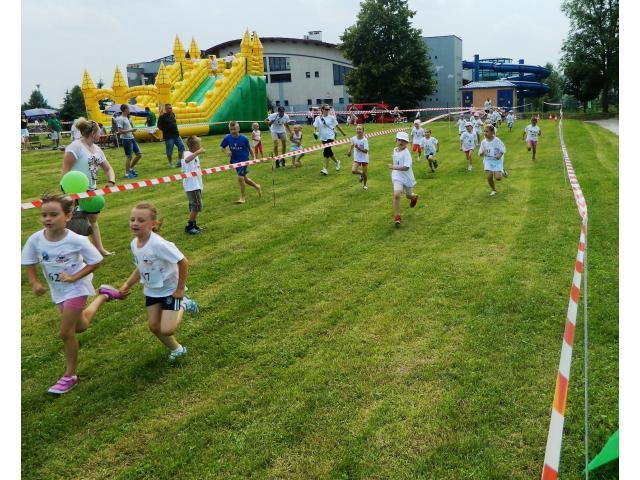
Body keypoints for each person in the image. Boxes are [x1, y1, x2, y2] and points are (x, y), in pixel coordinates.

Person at [21, 193, 124, 394]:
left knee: (65, 332)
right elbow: (29, 261)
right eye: (44, 215)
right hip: (58, 289)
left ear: (68, 216)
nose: (48, 219)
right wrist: (34, 283)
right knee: (80, 326)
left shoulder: (77, 240)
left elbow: (96, 261)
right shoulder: (35, 239)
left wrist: (75, 277)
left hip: (77, 287)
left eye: (53, 214)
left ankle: (70, 376)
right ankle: (104, 295)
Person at [118, 203, 198, 362]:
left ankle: (184, 303)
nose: (135, 223)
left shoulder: (158, 244)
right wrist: (127, 284)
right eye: (132, 219)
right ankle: (177, 349)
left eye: (141, 220)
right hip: (152, 290)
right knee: (154, 327)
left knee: (167, 329)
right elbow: (141, 267)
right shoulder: (134, 244)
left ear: (153, 224)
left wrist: (180, 289)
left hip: (170, 290)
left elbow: (183, 262)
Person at [62, 117, 117, 256]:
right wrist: (68, 191)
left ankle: (99, 249)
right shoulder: (75, 147)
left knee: (93, 220)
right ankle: (76, 253)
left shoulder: (97, 149)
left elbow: (108, 168)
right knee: (76, 223)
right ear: (93, 133)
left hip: (92, 190)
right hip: (76, 191)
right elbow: (65, 171)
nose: (101, 134)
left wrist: (111, 181)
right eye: (99, 132)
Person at [220, 121, 262, 204]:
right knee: (244, 179)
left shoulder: (244, 138)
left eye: (234, 129)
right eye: (231, 129)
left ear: (238, 129)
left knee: (240, 178)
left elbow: (250, 149)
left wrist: (253, 158)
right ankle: (257, 186)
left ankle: (242, 198)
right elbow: (222, 147)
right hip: (235, 161)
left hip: (244, 161)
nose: (233, 131)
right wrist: (226, 152)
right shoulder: (227, 138)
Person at [389, 131, 419, 226]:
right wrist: (395, 168)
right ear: (396, 140)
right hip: (397, 176)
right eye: (399, 140)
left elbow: (406, 167)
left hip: (407, 177)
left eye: (403, 141)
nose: (401, 142)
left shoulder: (406, 153)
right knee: (397, 195)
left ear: (407, 143)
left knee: (408, 195)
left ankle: (414, 197)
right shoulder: (395, 150)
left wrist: (394, 167)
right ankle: (397, 216)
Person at [314, 103, 346, 176]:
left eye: (329, 109)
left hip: (331, 136)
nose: (328, 110)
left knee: (326, 151)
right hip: (323, 137)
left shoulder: (332, 117)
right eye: (326, 109)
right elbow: (315, 125)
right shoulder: (318, 118)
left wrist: (343, 133)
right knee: (329, 152)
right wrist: (315, 132)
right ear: (322, 110)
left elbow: (337, 126)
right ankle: (337, 162)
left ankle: (325, 169)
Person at [181, 136, 205, 235]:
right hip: (192, 185)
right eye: (199, 144)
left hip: (196, 184)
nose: (200, 146)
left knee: (194, 205)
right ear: (195, 146)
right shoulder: (187, 153)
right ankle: (189, 226)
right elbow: (187, 160)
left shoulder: (193, 155)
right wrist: (198, 152)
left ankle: (194, 224)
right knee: (197, 205)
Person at [116, 104, 142, 179]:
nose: (129, 110)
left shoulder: (126, 118)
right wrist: (131, 130)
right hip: (126, 140)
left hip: (131, 138)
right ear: (125, 109)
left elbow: (127, 129)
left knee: (139, 154)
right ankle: (127, 174)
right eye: (128, 108)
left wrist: (132, 132)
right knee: (129, 157)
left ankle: (131, 169)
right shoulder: (120, 119)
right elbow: (120, 131)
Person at [479, 124, 506, 196]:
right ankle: (493, 190)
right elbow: (480, 153)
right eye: (484, 131)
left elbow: (503, 149)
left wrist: (499, 155)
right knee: (489, 176)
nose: (485, 133)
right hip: (488, 160)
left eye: (487, 131)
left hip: (496, 161)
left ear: (492, 132)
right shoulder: (483, 142)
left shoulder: (497, 140)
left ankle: (502, 172)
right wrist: (481, 153)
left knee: (498, 178)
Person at [157, 104, 186, 168]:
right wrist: (166, 129)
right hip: (168, 137)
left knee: (182, 147)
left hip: (176, 135)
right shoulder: (162, 116)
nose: (171, 109)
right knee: (169, 152)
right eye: (169, 108)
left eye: (171, 108)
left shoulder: (173, 114)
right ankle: (170, 163)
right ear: (166, 109)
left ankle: (179, 162)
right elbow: (159, 126)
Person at [348, 124, 369, 190]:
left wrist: (358, 148)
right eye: (357, 129)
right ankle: (362, 174)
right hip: (357, 158)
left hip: (364, 158)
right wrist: (349, 151)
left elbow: (366, 151)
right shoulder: (353, 138)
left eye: (360, 129)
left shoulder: (365, 140)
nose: (358, 130)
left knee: (365, 173)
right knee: (353, 170)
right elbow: (352, 145)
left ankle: (365, 185)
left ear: (363, 131)